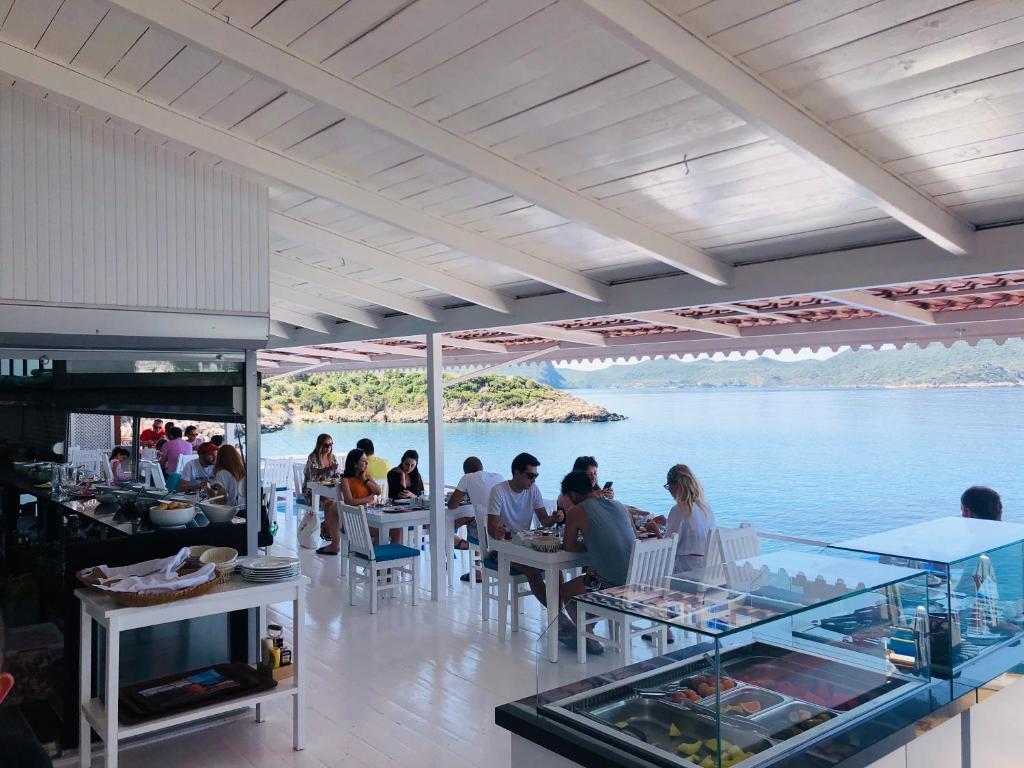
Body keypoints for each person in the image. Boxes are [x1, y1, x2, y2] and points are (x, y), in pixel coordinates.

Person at [559, 470, 642, 653]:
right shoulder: (619, 505)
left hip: (613, 587)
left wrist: (589, 545)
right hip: (639, 583)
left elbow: (569, 546)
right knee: (590, 577)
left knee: (565, 591)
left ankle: (589, 639)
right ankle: (586, 630)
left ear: (572, 494)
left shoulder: (577, 511)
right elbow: (635, 539)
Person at [487, 452, 565, 608]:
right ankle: (557, 614)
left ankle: (558, 612)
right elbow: (491, 528)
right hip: (502, 551)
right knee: (532, 570)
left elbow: (544, 521)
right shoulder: (499, 491)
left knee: (557, 570)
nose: (533, 480)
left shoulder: (533, 490)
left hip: (525, 546)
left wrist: (555, 518)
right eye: (530, 476)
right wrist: (498, 531)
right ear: (517, 473)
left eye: (536, 476)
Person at [449, 456, 504, 579]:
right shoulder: (499, 477)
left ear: (465, 471)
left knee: (470, 522)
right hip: (502, 529)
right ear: (482, 468)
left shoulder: (467, 478)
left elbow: (452, 505)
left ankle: (478, 572)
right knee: (475, 520)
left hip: (484, 533)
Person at [663, 464, 716, 576]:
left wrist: (655, 530)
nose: (669, 491)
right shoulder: (705, 508)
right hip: (706, 571)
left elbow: (666, 550)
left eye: (669, 486)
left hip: (685, 574)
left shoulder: (679, 510)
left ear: (676, 486)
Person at [339, 448, 398, 546]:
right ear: (355, 464)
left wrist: (364, 480)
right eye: (363, 460)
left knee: (397, 530)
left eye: (367, 460)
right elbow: (349, 501)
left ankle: (392, 558)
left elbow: (378, 491)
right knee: (381, 531)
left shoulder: (367, 477)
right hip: (357, 518)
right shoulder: (346, 480)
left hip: (372, 514)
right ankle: (375, 557)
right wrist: (369, 498)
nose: (367, 463)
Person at [303, 434, 341, 555]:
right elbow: (313, 475)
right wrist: (328, 469)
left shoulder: (332, 458)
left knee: (333, 503)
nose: (328, 448)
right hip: (312, 492)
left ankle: (327, 528)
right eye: (326, 445)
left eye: (330, 445)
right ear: (320, 445)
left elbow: (336, 476)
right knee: (330, 503)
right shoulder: (313, 457)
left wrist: (336, 475)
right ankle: (327, 531)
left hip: (327, 491)